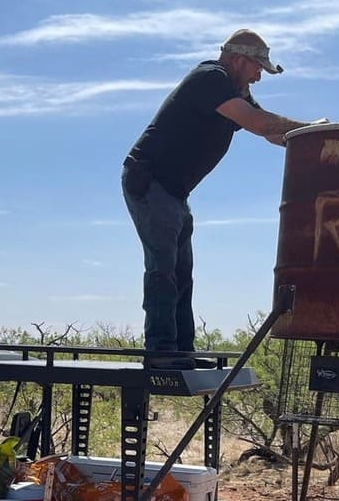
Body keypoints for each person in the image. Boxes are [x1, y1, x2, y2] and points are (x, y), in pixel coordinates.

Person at [123, 29, 325, 369]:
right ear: (237, 59)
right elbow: (260, 124)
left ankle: (179, 352)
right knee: (163, 269)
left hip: (173, 191)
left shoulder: (234, 89)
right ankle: (160, 352)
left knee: (180, 271)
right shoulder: (210, 78)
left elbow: (272, 133)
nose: (259, 76)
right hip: (151, 182)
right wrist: (312, 129)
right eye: (257, 67)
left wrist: (312, 139)